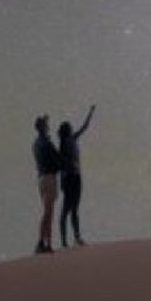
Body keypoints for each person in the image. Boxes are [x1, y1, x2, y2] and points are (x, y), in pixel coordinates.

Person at [57, 104, 96, 248]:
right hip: (70, 179)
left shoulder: (72, 139)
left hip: (75, 177)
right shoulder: (64, 144)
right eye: (70, 128)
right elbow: (62, 165)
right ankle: (65, 240)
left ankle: (75, 238)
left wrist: (90, 112)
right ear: (67, 131)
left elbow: (84, 127)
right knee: (67, 209)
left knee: (73, 209)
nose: (72, 129)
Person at [31, 114, 61, 254]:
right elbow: (57, 159)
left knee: (47, 212)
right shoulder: (46, 144)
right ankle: (44, 243)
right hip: (49, 178)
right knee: (49, 212)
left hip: (42, 179)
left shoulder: (36, 143)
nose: (49, 127)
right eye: (46, 124)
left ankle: (45, 242)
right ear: (43, 127)